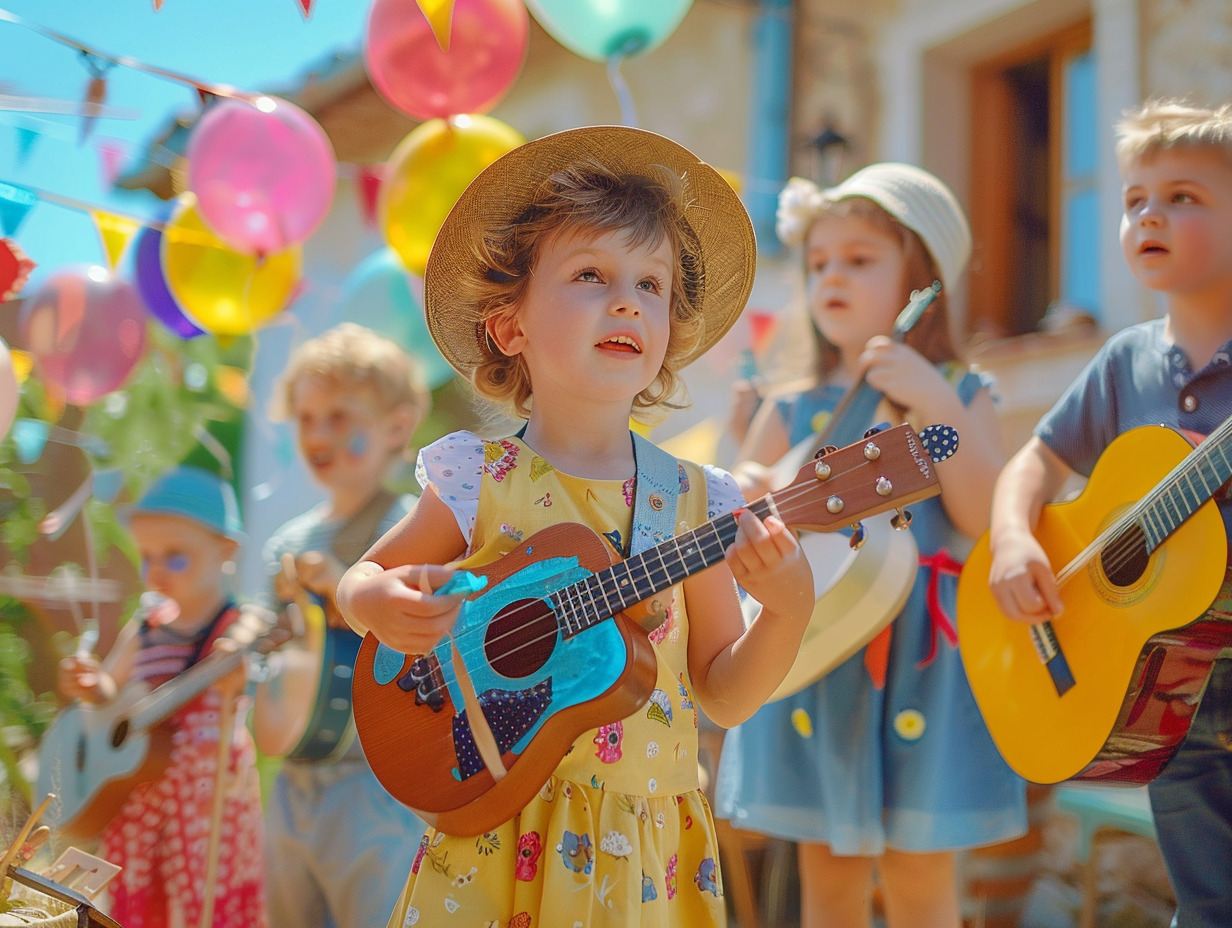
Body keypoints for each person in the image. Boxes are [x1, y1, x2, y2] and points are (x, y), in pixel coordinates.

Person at [334, 125, 815, 928]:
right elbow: (362, 582)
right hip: (490, 821)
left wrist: (789, 609)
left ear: (665, 337)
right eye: (591, 274)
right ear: (511, 327)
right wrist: (377, 605)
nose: (627, 299)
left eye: (651, 284)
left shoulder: (700, 502)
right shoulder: (474, 477)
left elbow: (723, 694)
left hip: (642, 855)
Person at [714, 164, 1027, 928]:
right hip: (820, 643)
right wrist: (747, 475)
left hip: (924, 655)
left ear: (921, 279)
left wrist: (936, 403)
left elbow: (985, 512)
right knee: (830, 877)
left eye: (859, 259)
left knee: (921, 882)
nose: (831, 277)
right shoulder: (794, 407)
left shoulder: (958, 388)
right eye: (819, 263)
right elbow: (747, 507)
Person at [987, 98, 1232, 928]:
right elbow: (1037, 460)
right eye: (1134, 200)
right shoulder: (1126, 362)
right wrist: (1016, 539)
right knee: (1207, 903)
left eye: (1183, 197)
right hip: (1165, 689)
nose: (1149, 214)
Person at [252, 322, 430, 928]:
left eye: (339, 416)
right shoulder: (289, 541)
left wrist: (344, 587)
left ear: (397, 429)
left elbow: (429, 647)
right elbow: (265, 646)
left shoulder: (413, 529)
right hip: (295, 782)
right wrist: (249, 636)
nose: (318, 434)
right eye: (306, 418)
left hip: (377, 791)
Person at [54, 465, 266, 928]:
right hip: (139, 793)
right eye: (147, 556)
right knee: (143, 902)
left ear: (226, 550)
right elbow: (112, 687)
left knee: (204, 900)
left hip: (206, 802)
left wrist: (236, 657)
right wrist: (94, 686)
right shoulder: (147, 626)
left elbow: (249, 644)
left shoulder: (235, 624)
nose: (156, 570)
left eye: (175, 557)